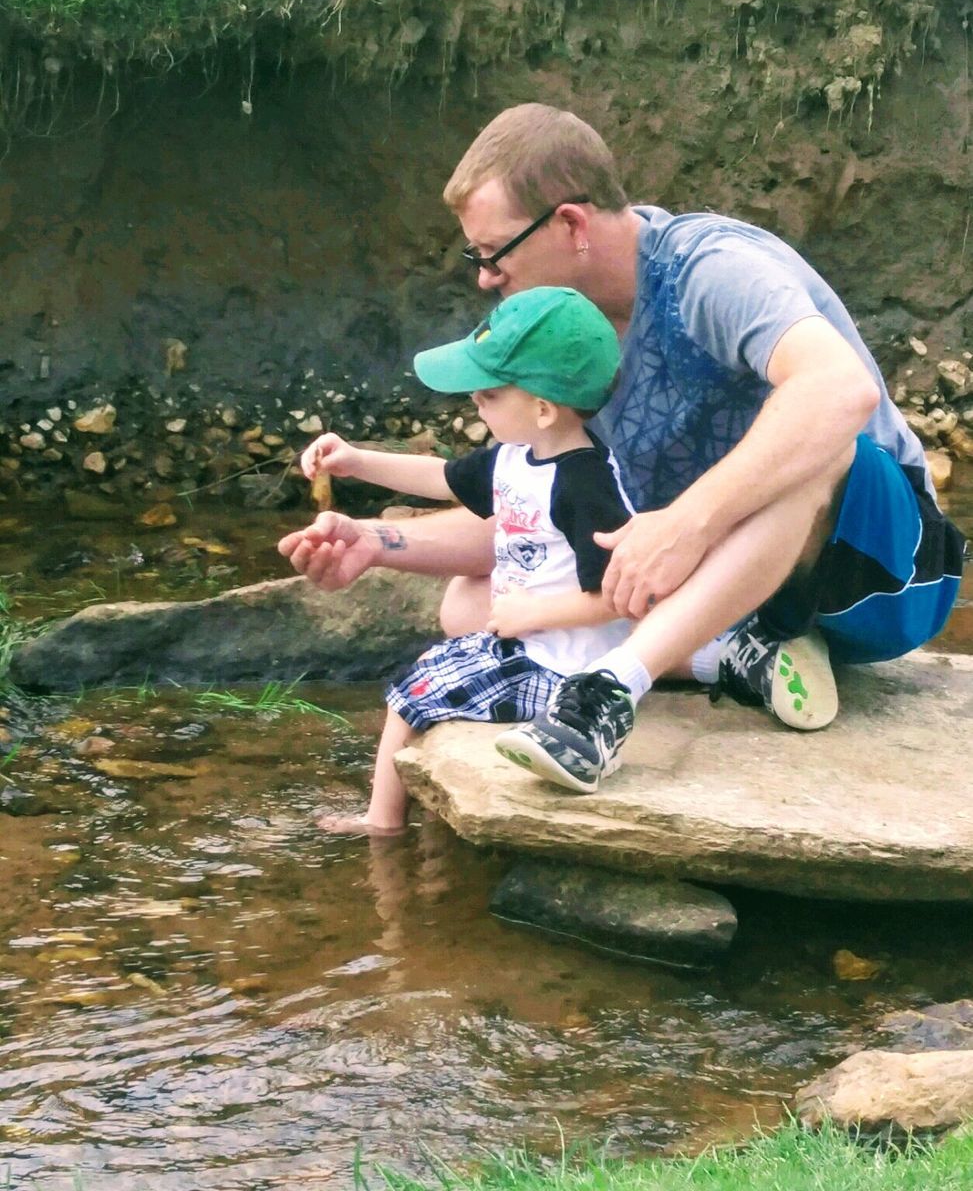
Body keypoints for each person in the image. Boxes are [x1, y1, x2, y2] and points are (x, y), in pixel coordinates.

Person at [280, 103, 965, 797]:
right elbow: (546, 520)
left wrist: (686, 519)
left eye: (493, 253)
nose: (484, 277)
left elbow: (838, 389)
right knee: (470, 603)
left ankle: (609, 694)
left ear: (571, 223)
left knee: (815, 438)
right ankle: (739, 656)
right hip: (742, 585)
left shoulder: (707, 270)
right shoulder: (573, 349)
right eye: (475, 257)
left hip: (881, 573)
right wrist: (376, 541)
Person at [305, 286, 634, 833]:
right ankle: (384, 815)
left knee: (413, 692)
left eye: (489, 395)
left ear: (544, 408)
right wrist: (355, 461)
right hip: (524, 643)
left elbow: (615, 598)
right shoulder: (517, 456)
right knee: (420, 676)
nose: (475, 403)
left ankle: (382, 822)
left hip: (563, 668)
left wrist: (533, 616)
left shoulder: (585, 483)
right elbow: (440, 478)